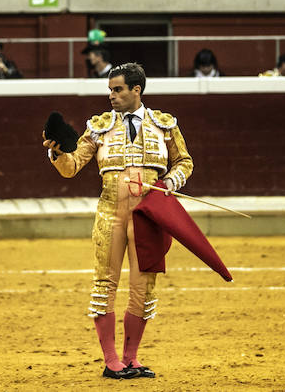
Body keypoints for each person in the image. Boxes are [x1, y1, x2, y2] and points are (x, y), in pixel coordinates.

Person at [42, 62, 194, 380]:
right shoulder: (98, 127)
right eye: (109, 90)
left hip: (149, 218)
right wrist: (57, 153)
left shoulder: (163, 125)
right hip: (110, 213)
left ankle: (131, 358)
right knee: (104, 287)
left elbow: (184, 162)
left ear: (136, 90)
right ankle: (112, 361)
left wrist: (169, 183)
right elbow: (72, 166)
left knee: (143, 290)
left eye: (118, 89)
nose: (111, 96)